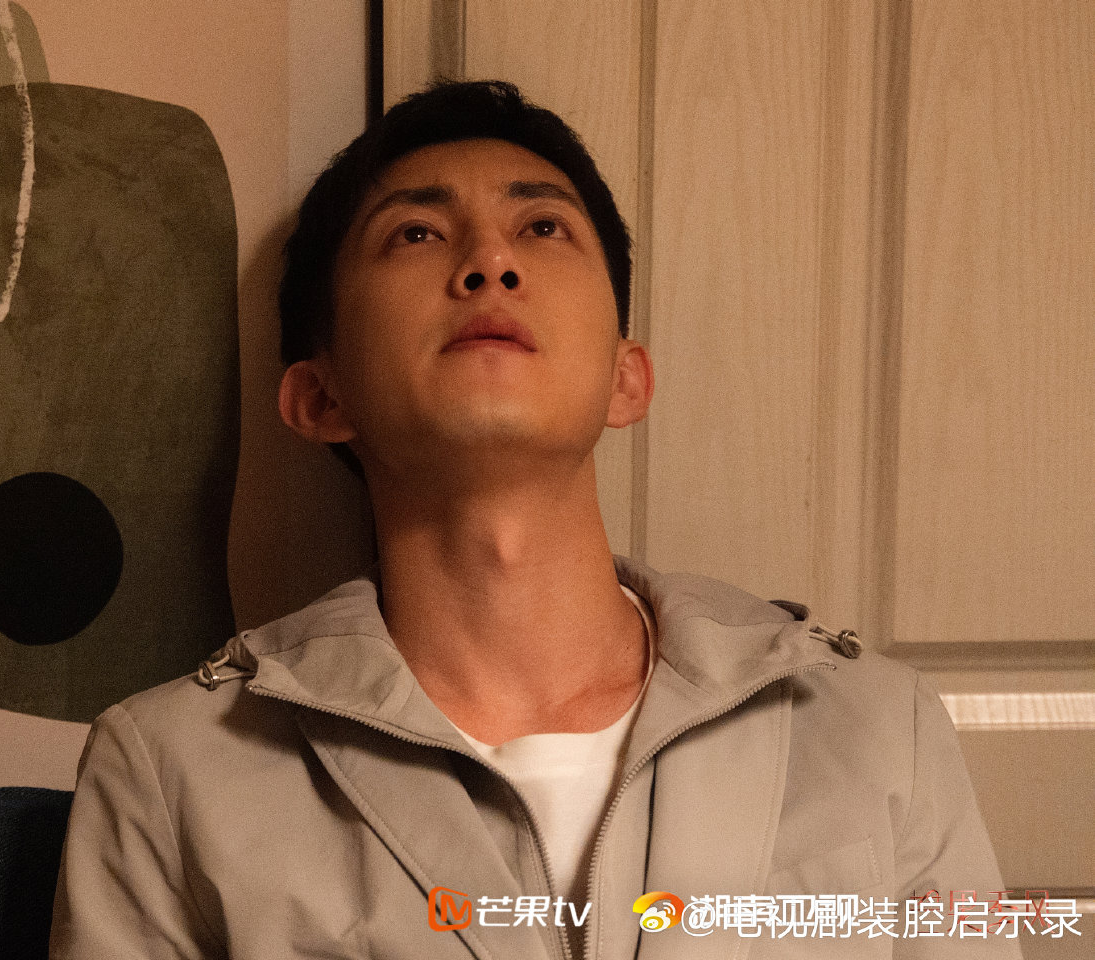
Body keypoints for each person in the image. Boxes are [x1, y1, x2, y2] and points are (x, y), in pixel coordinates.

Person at [49, 80, 1017, 959]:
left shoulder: (873, 727)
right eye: (415, 234)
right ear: (319, 396)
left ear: (626, 380)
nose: (490, 262)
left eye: (543, 227)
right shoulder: (174, 772)